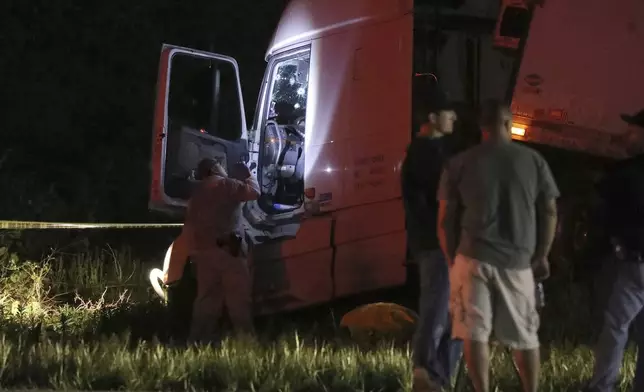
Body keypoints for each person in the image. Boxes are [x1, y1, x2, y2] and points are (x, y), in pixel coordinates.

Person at [437, 101, 559, 392]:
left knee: (474, 332)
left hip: (472, 257)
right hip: (518, 262)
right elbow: (550, 211)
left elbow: (444, 220)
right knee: (525, 336)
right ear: (508, 123)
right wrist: (542, 254)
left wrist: (451, 257)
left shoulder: (459, 163)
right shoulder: (533, 160)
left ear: (482, 128)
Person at [401, 88, 462, 392]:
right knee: (437, 307)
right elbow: (438, 203)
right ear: (433, 117)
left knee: (450, 311)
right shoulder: (426, 153)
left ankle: (439, 376)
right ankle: (424, 373)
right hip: (435, 244)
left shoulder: (435, 150)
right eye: (449, 112)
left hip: (440, 243)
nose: (455, 117)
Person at [584, 109, 644, 392]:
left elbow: (605, 215)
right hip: (635, 263)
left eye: (633, 130)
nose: (627, 135)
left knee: (615, 328)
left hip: (635, 264)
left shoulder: (627, 175)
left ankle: (602, 386)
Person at [183, 158, 260, 344]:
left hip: (204, 255)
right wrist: (248, 174)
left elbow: (190, 227)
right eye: (220, 165)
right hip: (229, 255)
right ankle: (247, 344)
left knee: (206, 302)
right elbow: (255, 192)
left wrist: (193, 254)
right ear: (214, 168)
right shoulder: (227, 184)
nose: (223, 168)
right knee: (238, 301)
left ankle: (197, 343)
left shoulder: (196, 194)